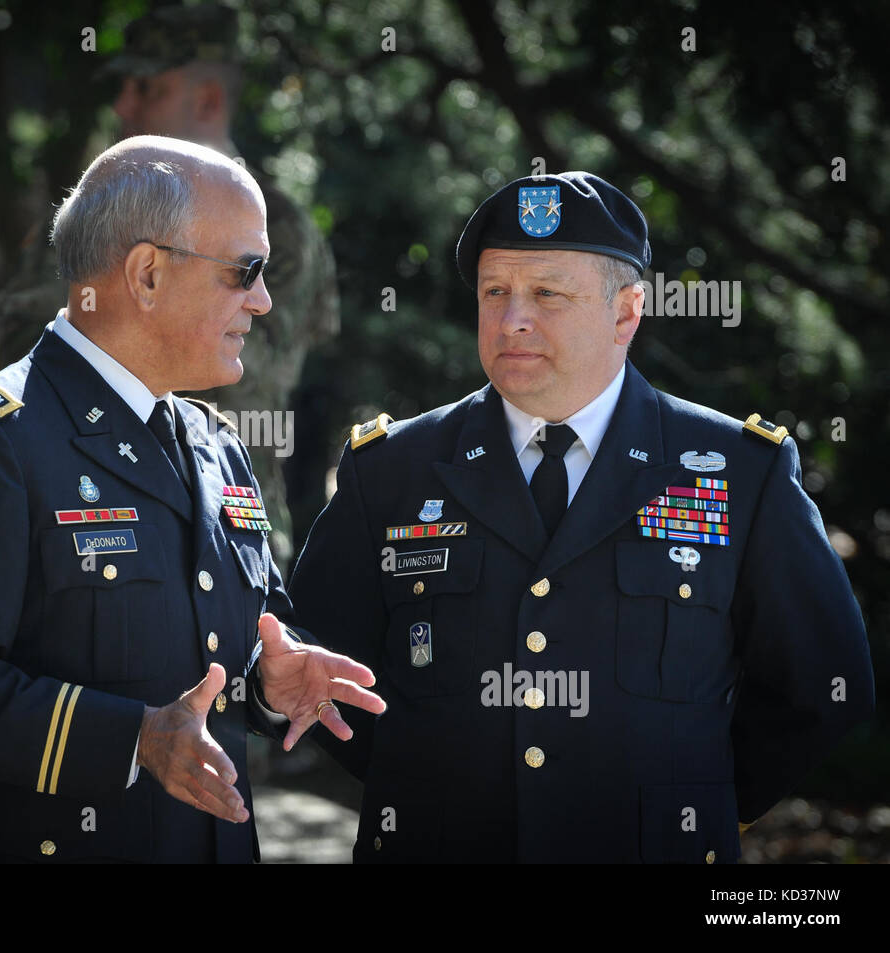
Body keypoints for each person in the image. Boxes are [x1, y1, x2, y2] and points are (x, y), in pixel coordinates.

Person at [287, 171, 875, 863]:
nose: (513, 320)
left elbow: (823, 683)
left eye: (547, 294)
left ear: (626, 313)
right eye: (495, 292)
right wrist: (426, 789)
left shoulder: (739, 470)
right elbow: (315, 672)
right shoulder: (391, 470)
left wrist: (693, 799)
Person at [0, 136, 382, 864]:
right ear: (146, 274)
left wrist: (273, 682)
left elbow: (228, 649)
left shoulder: (214, 443)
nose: (264, 300)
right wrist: (133, 738)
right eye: (246, 271)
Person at [0, 3, 340, 568]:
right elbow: (20, 359)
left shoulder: (285, 227)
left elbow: (258, 384)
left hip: (226, 520)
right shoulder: (80, 217)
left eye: (146, 87)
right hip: (83, 512)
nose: (122, 105)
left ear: (206, 99)